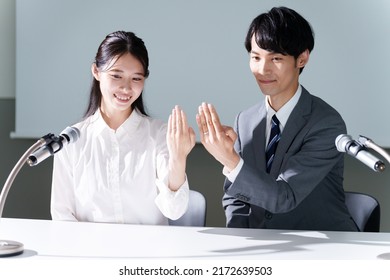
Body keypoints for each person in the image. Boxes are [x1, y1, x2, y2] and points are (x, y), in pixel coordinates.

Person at [196, 7, 358, 231]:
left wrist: (230, 160)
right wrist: (241, 244)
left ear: (302, 58)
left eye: (276, 58)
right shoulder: (245, 120)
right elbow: (235, 197)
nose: (263, 69)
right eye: (256, 57)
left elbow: (285, 196)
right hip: (264, 248)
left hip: (321, 245)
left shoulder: (326, 123)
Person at [51, 31, 195, 225]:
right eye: (116, 76)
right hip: (90, 253)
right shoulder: (72, 140)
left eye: (136, 78)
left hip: (147, 252)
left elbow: (174, 210)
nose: (126, 88)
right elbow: (62, 216)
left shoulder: (159, 134)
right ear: (96, 72)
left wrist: (178, 159)